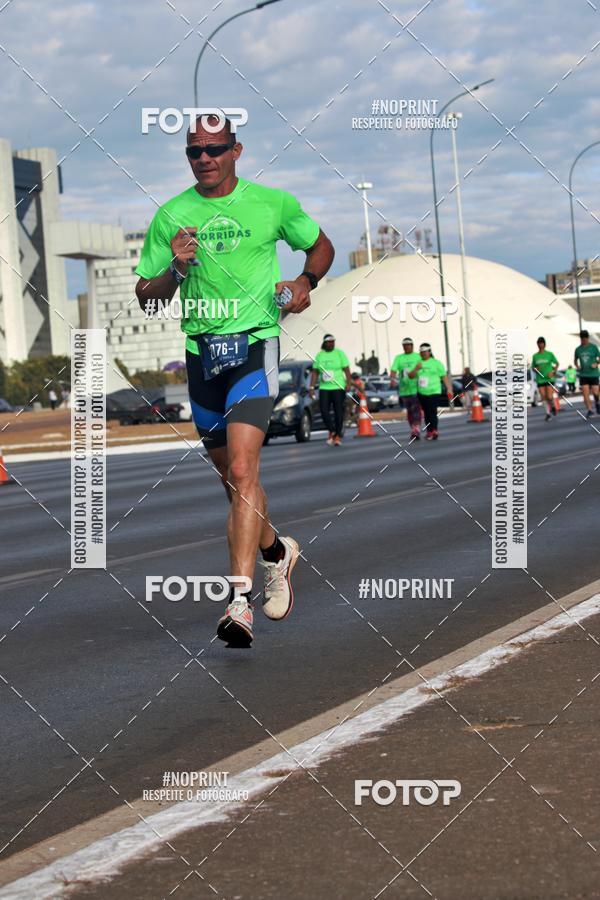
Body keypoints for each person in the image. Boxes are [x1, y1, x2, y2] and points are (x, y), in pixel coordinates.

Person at [135, 113, 334, 648]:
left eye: (214, 149)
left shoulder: (272, 203)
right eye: (194, 151)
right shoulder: (171, 215)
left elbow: (321, 246)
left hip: (254, 346)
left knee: (245, 470)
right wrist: (175, 269)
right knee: (232, 482)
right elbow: (146, 296)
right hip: (201, 356)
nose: (204, 159)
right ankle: (277, 552)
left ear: (236, 151)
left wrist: (305, 281)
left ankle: (238, 604)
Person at [309, 335, 351, 446]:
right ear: (324, 343)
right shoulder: (320, 355)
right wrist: (311, 388)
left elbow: (346, 370)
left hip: (338, 387)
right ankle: (332, 430)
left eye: (333, 342)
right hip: (324, 388)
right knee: (323, 411)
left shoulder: (339, 353)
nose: (331, 344)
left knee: (338, 412)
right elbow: (315, 372)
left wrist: (348, 383)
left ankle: (337, 436)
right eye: (329, 342)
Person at [409, 343, 453, 440]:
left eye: (425, 351)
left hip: (434, 391)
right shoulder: (418, 363)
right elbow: (410, 376)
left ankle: (434, 430)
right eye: (421, 352)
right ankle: (430, 431)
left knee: (432, 411)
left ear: (429, 352)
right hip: (422, 392)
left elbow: (444, 377)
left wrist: (449, 388)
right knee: (426, 413)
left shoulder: (436, 363)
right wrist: (416, 369)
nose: (423, 353)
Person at [390, 337, 422, 439]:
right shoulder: (399, 358)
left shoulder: (418, 357)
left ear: (412, 346)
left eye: (408, 345)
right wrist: (392, 379)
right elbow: (393, 370)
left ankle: (416, 427)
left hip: (416, 388)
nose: (407, 347)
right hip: (404, 389)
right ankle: (413, 428)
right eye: (405, 345)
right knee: (410, 411)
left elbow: (424, 368)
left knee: (416, 409)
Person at [531, 337, 559, 421]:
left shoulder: (549, 354)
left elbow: (557, 363)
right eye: (539, 343)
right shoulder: (535, 356)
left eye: (542, 343)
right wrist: (536, 369)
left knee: (549, 397)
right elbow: (533, 367)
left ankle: (553, 406)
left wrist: (553, 372)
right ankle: (548, 413)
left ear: (544, 344)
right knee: (543, 396)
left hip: (549, 378)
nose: (540, 345)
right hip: (540, 379)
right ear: (537, 345)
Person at [574, 329, 600, 418]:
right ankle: (590, 410)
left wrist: (596, 363)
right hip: (583, 374)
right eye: (582, 339)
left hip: (594, 374)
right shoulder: (578, 349)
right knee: (585, 393)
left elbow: (599, 358)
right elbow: (575, 360)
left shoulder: (593, 347)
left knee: (595, 392)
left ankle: (597, 403)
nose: (584, 341)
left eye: (585, 339)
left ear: (588, 338)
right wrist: (577, 366)